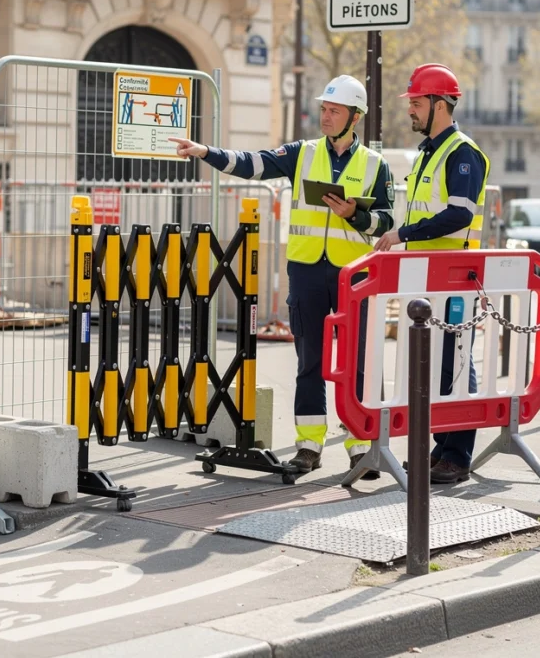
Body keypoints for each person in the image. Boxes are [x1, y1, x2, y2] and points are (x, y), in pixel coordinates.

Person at [169, 75, 395, 476]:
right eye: (323, 109)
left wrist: (356, 215)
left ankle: (363, 447)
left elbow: (388, 222)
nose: (324, 116)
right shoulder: (302, 152)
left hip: (355, 278)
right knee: (310, 362)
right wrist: (205, 151)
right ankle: (309, 447)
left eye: (334, 111)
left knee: (360, 363)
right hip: (307, 272)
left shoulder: (376, 165)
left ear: (354, 117)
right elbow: (254, 164)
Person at [374, 63, 490, 484]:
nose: (412, 112)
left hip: (457, 277)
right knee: (437, 366)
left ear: (441, 105)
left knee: (456, 363)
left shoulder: (461, 153)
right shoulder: (429, 152)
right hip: (431, 278)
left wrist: (402, 234)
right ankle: (441, 449)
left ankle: (457, 455)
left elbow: (458, 214)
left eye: (418, 104)